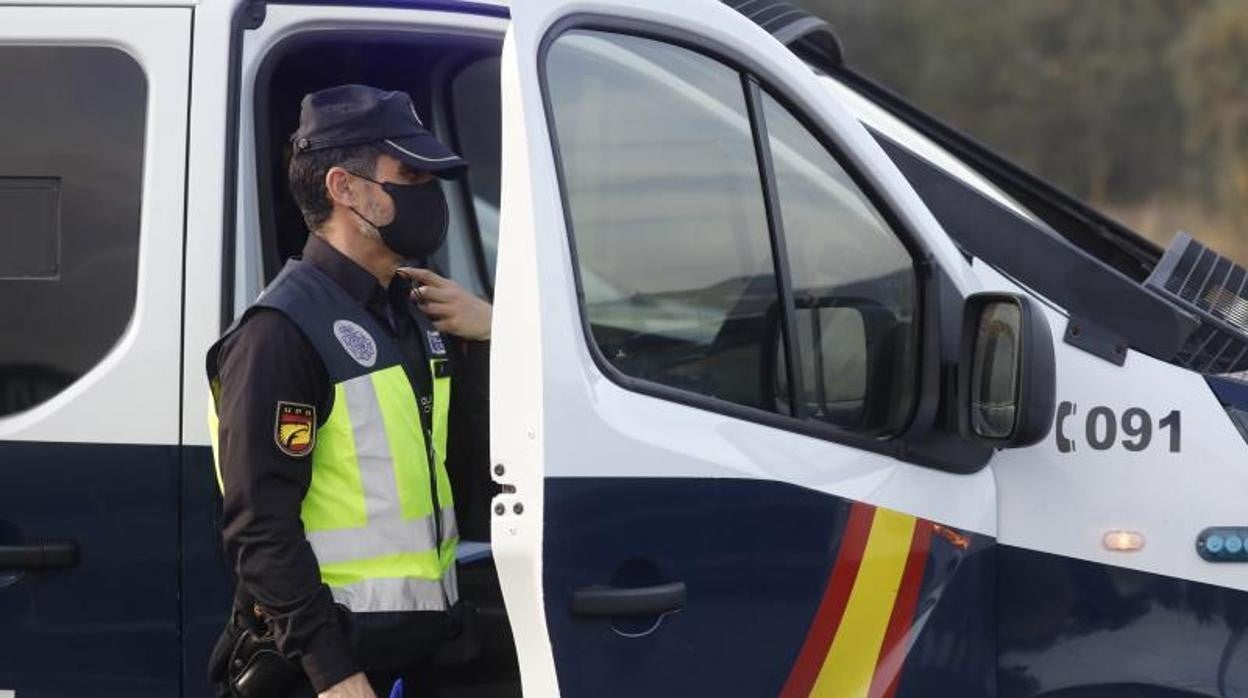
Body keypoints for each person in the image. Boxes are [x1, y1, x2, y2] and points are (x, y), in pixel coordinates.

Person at [205, 84, 492, 698]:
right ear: (344, 188)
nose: (428, 193)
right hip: (329, 674)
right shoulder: (280, 332)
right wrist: (333, 672)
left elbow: (470, 473)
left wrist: (496, 335)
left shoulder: (417, 312)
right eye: (409, 174)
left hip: (414, 657)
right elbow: (260, 527)